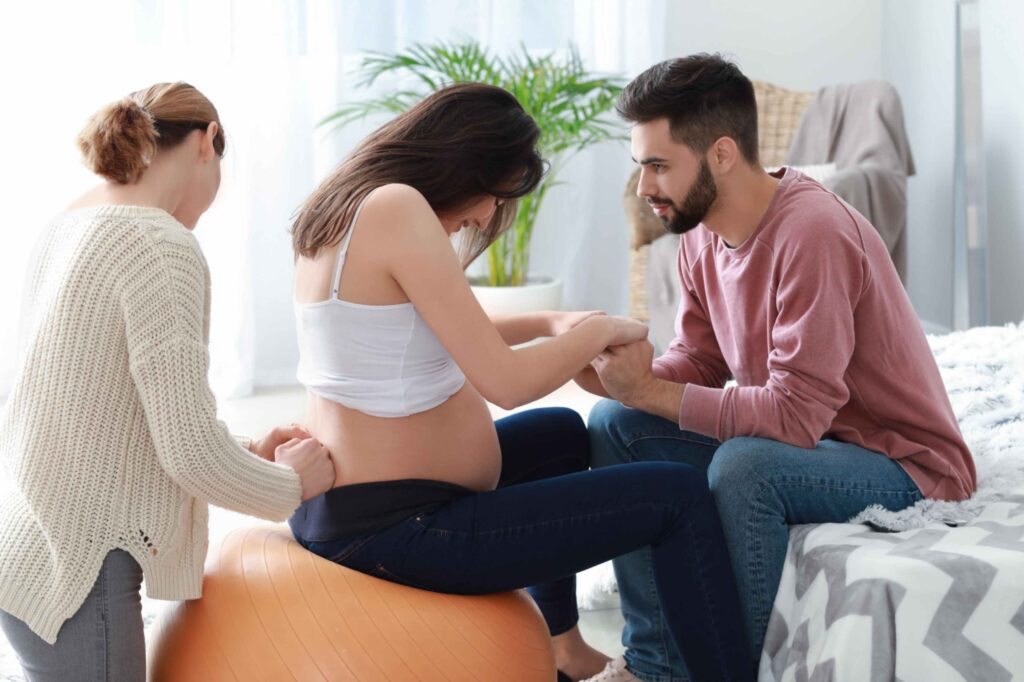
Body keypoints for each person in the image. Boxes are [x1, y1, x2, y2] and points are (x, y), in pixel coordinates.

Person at [287, 82, 753, 682]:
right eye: (495, 194)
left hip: (356, 509)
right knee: (675, 496)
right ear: (462, 162)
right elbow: (503, 383)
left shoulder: (350, 205)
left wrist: (551, 321)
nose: (486, 217)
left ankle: (560, 648)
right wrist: (596, 334)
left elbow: (435, 325)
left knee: (561, 433)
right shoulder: (396, 208)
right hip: (400, 529)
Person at [578, 54, 977, 681]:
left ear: (721, 154)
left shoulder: (812, 232)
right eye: (640, 167)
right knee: (613, 423)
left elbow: (792, 417)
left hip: (901, 459)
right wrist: (623, 378)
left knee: (746, 467)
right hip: (819, 440)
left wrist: (652, 390)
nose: (643, 188)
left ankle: (732, 670)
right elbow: (703, 361)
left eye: (658, 166)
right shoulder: (700, 237)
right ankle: (654, 665)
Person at [0, 82, 336, 681]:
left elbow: (109, 419)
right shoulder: (158, 244)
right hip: (83, 579)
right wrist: (290, 485)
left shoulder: (65, 227)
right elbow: (186, 452)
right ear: (207, 141)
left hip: (25, 551)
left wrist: (245, 454)